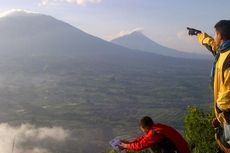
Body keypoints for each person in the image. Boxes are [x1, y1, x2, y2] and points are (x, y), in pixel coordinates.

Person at [187, 20, 230, 152]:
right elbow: (210, 43)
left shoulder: (228, 58)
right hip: (224, 113)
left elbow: (228, 94)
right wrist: (198, 34)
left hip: (228, 113)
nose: (214, 37)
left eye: (215, 34)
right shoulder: (222, 51)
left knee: (228, 144)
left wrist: (220, 111)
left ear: (220, 35)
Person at [119, 116, 190, 153]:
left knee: (152, 144)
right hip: (183, 149)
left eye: (143, 129)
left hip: (179, 151)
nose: (143, 132)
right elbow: (144, 138)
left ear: (146, 127)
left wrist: (126, 146)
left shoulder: (154, 133)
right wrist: (130, 143)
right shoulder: (157, 127)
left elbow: (140, 145)